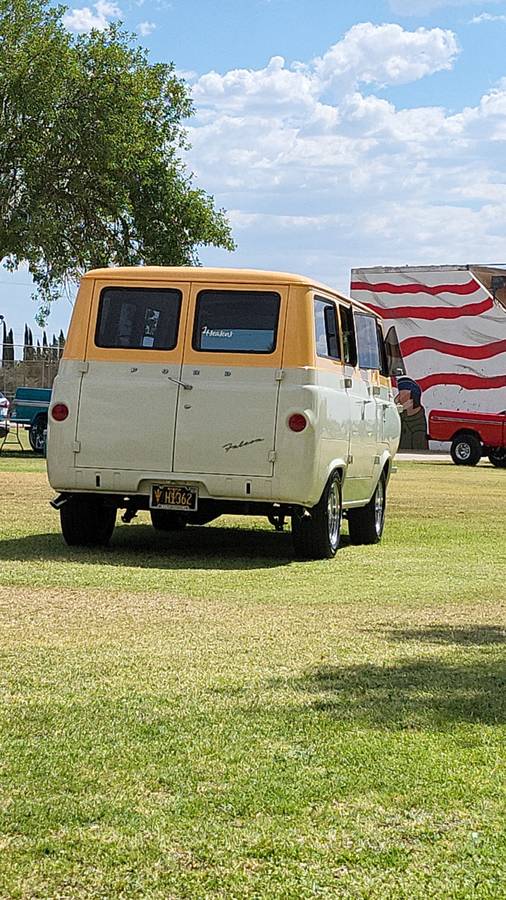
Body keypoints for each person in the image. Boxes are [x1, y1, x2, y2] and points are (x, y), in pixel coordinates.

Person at [395, 376, 428, 450]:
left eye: (402, 395)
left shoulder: (418, 424)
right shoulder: (401, 416)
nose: (398, 399)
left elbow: (419, 450)